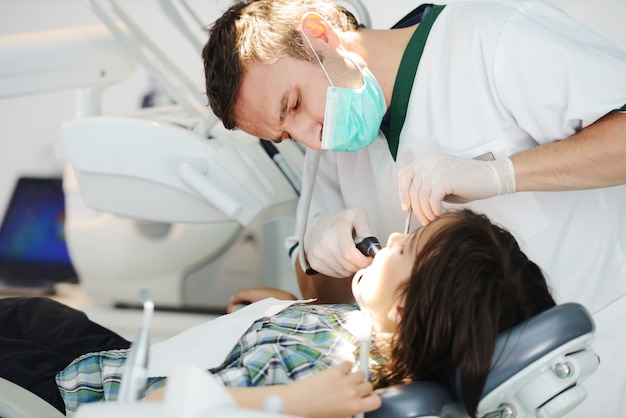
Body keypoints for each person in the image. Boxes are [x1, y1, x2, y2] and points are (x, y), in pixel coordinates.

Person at [202, 1, 626, 415]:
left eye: (294, 104)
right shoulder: (331, 148)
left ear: (320, 35)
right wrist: (317, 258)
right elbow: (327, 297)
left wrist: (503, 174)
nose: (312, 139)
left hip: (603, 345)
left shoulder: (489, 35)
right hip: (478, 392)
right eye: (286, 136)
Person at [0, 209, 555, 418]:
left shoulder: (315, 383)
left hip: (70, 392)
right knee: (38, 312)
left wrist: (287, 400)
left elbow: (157, 412)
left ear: (406, 306)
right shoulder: (372, 340)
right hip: (104, 357)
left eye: (405, 248)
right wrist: (280, 313)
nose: (390, 236)